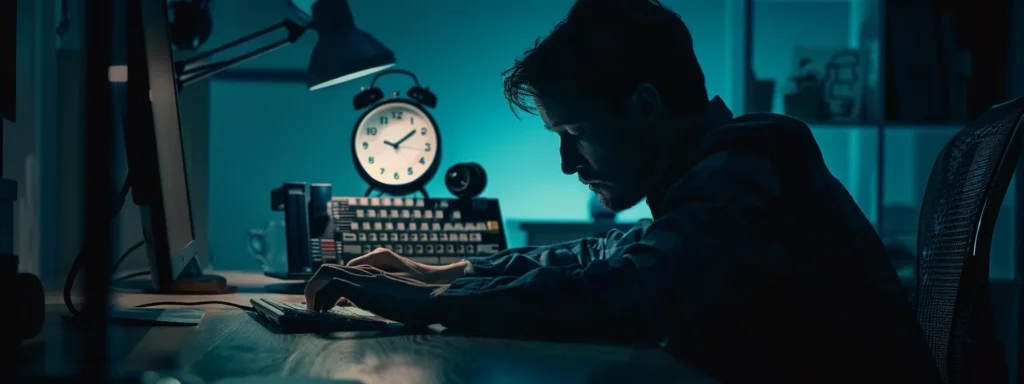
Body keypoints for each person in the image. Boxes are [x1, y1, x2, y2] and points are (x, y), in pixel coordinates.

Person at [304, 0, 939, 381]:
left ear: (644, 106)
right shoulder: (712, 178)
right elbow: (600, 257)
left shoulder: (753, 165)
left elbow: (623, 297)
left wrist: (417, 304)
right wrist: (442, 275)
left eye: (575, 132)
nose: (565, 164)